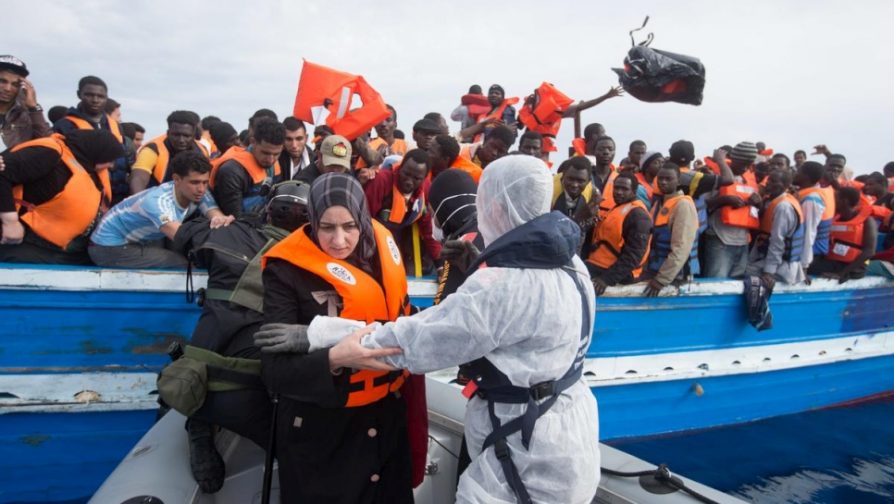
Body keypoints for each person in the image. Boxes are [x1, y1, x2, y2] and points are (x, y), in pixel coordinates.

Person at [325, 155, 600, 503]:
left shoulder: (499, 286)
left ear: (495, 205)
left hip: (521, 455)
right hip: (568, 434)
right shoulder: (570, 262)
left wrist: (326, 338)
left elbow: (423, 340)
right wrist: (478, 268)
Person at [255, 173, 418, 503]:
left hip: (386, 420)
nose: (339, 239)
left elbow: (406, 323)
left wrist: (318, 335)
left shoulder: (382, 249)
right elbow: (273, 373)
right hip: (323, 432)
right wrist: (334, 358)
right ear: (312, 219)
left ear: (361, 217)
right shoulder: (285, 270)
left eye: (349, 226)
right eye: (326, 227)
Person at [169, 181, 310, 493]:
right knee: (305, 453)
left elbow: (180, 237)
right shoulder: (310, 264)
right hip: (249, 399)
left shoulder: (225, 233)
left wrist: (215, 222)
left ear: (267, 211)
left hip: (192, 382)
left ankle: (199, 423)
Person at [89, 151, 233, 268]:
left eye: (205, 182)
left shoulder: (198, 191)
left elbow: (216, 216)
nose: (201, 189)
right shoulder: (157, 202)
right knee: (181, 262)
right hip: (107, 247)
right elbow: (180, 236)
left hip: (139, 238)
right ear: (176, 179)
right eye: (194, 182)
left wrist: (223, 221)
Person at [0, 130, 123, 264]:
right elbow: (2, 173)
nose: (111, 166)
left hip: (65, 248)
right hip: (27, 244)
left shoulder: (86, 164)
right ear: (98, 153)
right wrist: (10, 222)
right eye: (109, 160)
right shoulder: (48, 153)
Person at [364, 149, 441, 275]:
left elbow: (428, 231)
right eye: (406, 174)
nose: (409, 181)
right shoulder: (382, 180)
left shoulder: (426, 188)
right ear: (400, 168)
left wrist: (440, 265)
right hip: (374, 237)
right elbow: (364, 220)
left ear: (424, 177)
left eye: (416, 178)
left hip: (402, 238)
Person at [586, 172, 652, 294]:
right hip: (598, 264)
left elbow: (634, 256)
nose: (618, 192)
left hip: (617, 273)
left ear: (634, 191)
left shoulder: (638, 216)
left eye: (624, 189)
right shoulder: (618, 207)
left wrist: (606, 279)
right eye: (616, 188)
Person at [703, 142, 761, 279]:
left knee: (737, 283)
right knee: (716, 282)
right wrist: (724, 200)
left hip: (742, 241)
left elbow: (756, 211)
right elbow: (702, 204)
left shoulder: (749, 179)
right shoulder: (716, 176)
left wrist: (759, 202)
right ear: (733, 159)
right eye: (742, 164)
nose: (745, 168)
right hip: (720, 239)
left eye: (749, 164)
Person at [644, 163, 700, 296]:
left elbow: (681, 247)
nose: (663, 182)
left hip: (673, 277)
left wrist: (662, 279)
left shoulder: (683, 205)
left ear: (678, 181)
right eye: (660, 178)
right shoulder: (658, 204)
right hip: (653, 268)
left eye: (668, 179)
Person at [210, 118, 285, 217]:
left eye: (276, 154)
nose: (271, 160)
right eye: (265, 153)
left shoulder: (275, 166)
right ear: (253, 141)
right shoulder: (231, 171)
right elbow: (235, 217)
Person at [427, 169, 481, 303]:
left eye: (433, 214)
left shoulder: (461, 246)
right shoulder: (490, 230)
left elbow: (442, 312)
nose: (432, 220)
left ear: (443, 210)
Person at [746, 170, 806, 286]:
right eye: (769, 180)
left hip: (781, 266)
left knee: (746, 272)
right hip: (768, 258)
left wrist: (769, 271)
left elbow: (777, 241)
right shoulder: (771, 201)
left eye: (774, 181)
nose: (769, 184)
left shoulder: (783, 207)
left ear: (785, 186)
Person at [807, 187, 876, 282]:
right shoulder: (835, 218)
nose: (832, 202)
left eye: (835, 198)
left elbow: (869, 251)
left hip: (852, 266)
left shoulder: (867, 221)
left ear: (844, 201)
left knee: (808, 266)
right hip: (834, 260)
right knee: (806, 262)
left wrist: (842, 273)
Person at [130, 110, 208, 194]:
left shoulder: (202, 150)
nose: (181, 140)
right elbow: (138, 178)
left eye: (186, 136)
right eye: (176, 135)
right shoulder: (152, 149)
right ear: (168, 133)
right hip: (156, 200)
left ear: (193, 135)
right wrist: (139, 201)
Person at [53, 76, 125, 144]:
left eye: (100, 96)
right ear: (79, 94)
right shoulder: (64, 126)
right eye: (89, 95)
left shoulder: (115, 126)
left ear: (106, 97)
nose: (95, 100)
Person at [0, 55, 50, 149]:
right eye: (2, 81)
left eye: (15, 84)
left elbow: (50, 146)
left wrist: (34, 108)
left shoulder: (26, 114)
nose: (8, 89)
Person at [795, 161, 835, 271]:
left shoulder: (811, 199)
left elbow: (809, 233)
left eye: (798, 172)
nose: (795, 174)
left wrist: (804, 265)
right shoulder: (802, 193)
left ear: (806, 177)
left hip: (811, 255)